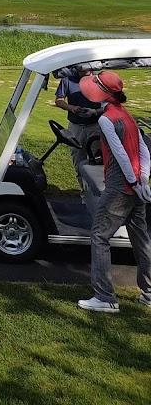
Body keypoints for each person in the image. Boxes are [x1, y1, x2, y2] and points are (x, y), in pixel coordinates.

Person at [76, 70, 151, 313]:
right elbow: (143, 152)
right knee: (141, 238)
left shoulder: (106, 120)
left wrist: (133, 181)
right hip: (137, 186)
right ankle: (149, 293)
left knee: (99, 235)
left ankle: (105, 296)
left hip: (120, 187)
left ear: (103, 93)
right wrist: (143, 181)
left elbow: (120, 154)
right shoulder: (127, 116)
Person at [54, 65, 102, 184]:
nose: (85, 70)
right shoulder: (67, 79)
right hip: (76, 126)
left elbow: (109, 104)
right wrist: (72, 108)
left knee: (97, 158)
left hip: (95, 125)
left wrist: (95, 112)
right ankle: (83, 189)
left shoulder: (99, 79)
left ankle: (97, 188)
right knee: (78, 158)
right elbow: (59, 100)